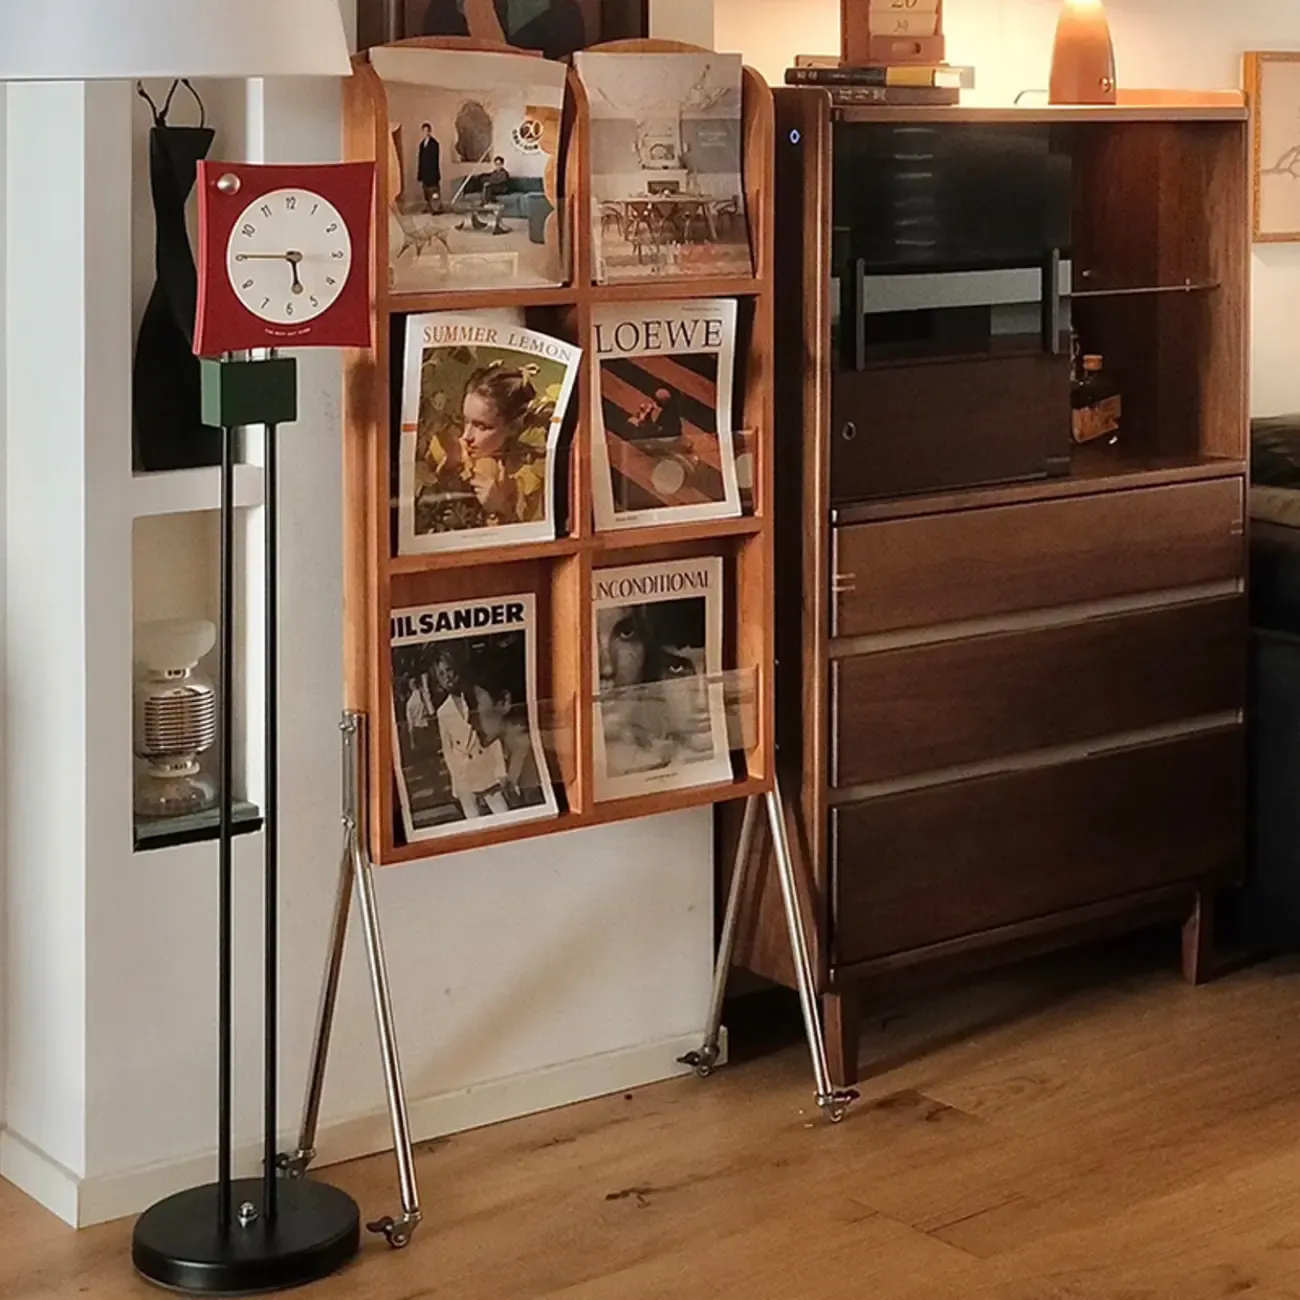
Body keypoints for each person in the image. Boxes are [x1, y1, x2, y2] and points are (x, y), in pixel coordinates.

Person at [431, 645, 509, 819]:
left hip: (486, 769)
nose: (447, 678)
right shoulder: (443, 712)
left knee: (504, 817)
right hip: (464, 775)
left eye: (448, 670)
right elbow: (448, 750)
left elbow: (494, 736)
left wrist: (500, 771)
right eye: (441, 675)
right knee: (473, 822)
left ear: (457, 670)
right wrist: (456, 784)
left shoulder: (479, 696)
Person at [467, 648, 543, 810]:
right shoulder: (512, 757)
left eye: (475, 706)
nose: (469, 720)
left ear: (504, 702)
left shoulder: (535, 763)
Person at [417, 122, 442, 215]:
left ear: (430, 131)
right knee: (426, 192)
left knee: (434, 192)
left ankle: (437, 208)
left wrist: (434, 174)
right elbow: (420, 159)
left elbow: (435, 160)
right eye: (424, 131)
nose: (426, 133)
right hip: (424, 173)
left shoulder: (434, 144)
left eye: (427, 131)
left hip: (432, 172)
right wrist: (420, 173)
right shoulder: (422, 144)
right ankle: (428, 207)